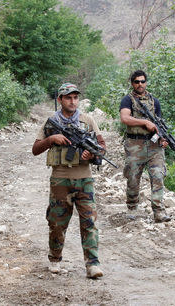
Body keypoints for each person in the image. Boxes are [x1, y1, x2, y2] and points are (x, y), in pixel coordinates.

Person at [32, 83, 105, 279]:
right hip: (60, 179)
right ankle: (55, 257)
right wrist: (52, 139)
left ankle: (93, 264)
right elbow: (36, 149)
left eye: (75, 97)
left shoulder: (87, 120)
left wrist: (92, 154)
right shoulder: (51, 122)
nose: (73, 101)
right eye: (68, 98)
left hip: (84, 179)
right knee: (57, 222)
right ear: (60, 100)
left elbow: (102, 147)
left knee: (89, 221)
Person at [119, 70, 171, 223]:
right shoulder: (127, 100)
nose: (140, 84)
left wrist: (163, 139)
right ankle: (132, 207)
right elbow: (125, 118)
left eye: (142, 81)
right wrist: (144, 122)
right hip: (135, 144)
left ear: (146, 82)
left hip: (154, 145)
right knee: (133, 178)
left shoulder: (154, 101)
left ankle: (159, 212)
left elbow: (159, 124)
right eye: (136, 82)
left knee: (158, 176)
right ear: (132, 83)